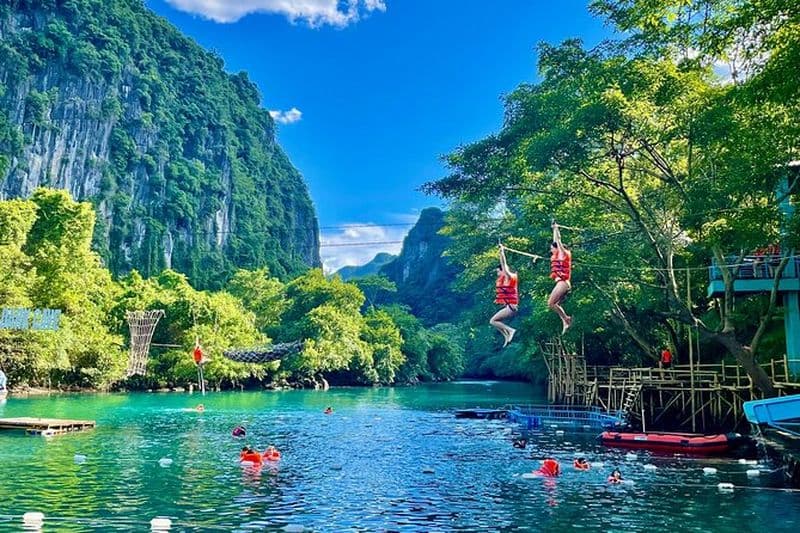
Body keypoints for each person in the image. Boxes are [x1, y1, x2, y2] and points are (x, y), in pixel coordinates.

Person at [490, 245, 519, 347]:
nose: (497, 273)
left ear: (503, 270)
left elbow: (504, 264)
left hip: (511, 308)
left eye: (498, 271)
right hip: (510, 307)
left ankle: (510, 330)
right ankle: (506, 336)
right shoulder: (504, 280)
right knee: (495, 321)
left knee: (493, 321)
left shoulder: (508, 277)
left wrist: (501, 252)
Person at [548, 223, 572, 334]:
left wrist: (556, 229)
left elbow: (558, 241)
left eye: (552, 249)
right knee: (553, 304)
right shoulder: (557, 255)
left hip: (563, 283)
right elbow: (555, 241)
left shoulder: (564, 254)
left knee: (551, 303)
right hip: (561, 283)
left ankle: (566, 319)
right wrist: (554, 230)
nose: (551, 250)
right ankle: (565, 321)